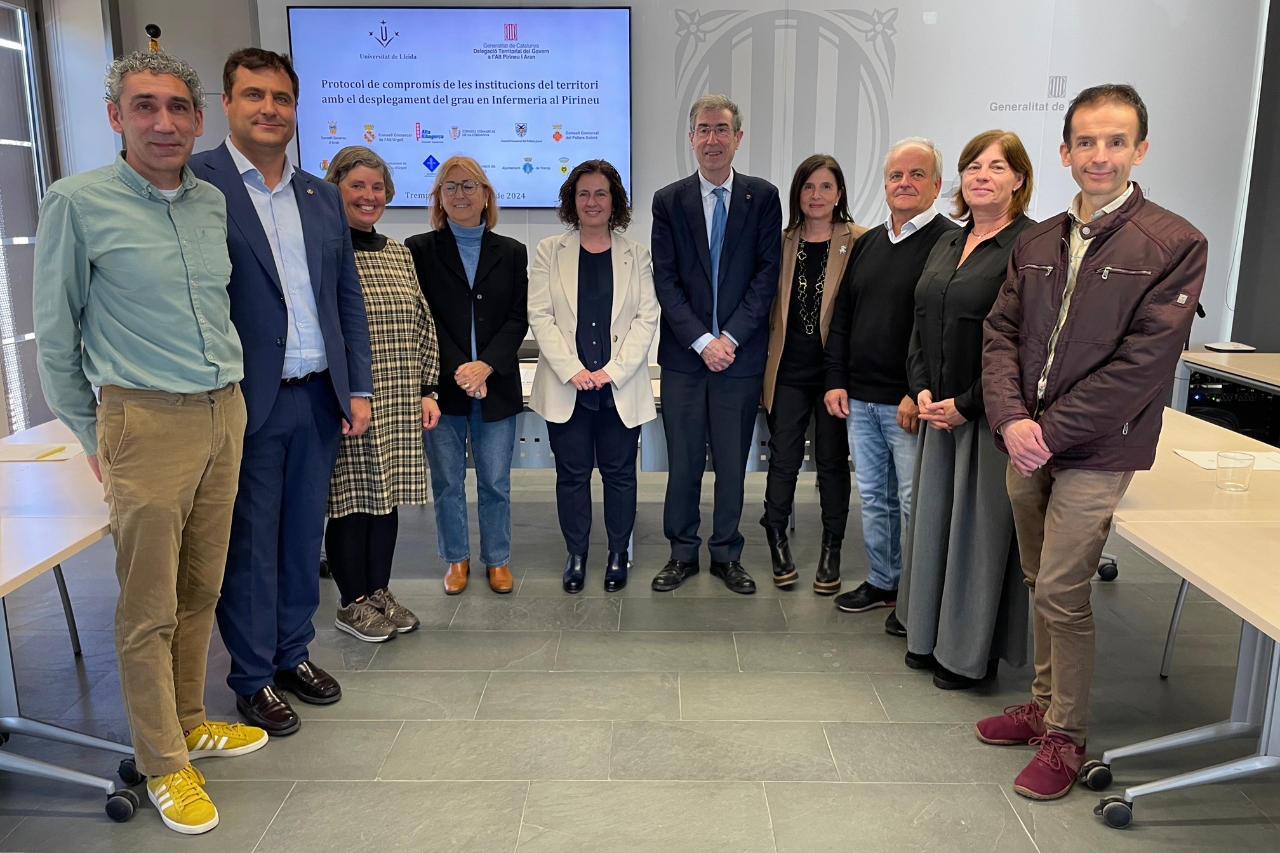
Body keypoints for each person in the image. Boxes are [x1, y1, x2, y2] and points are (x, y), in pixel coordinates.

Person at [33, 50, 265, 835]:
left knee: (202, 586)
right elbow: (56, 338)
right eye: (144, 107)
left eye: (175, 107)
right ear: (115, 116)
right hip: (145, 419)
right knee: (146, 606)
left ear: (198, 120)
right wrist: (97, 429)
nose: (162, 122)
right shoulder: (77, 201)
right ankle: (165, 760)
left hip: (221, 411)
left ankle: (193, 715)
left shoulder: (208, 203)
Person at [978, 84, 1207, 800]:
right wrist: (1013, 421)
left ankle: (1066, 734)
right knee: (1037, 578)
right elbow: (1000, 336)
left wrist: (1045, 431)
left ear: (1140, 149)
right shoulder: (1039, 239)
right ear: (1065, 151)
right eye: (1086, 141)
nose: (1099, 154)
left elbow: (1144, 365)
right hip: (1027, 442)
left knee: (1064, 589)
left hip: (1101, 448)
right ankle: (1044, 702)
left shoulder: (1174, 243)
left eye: (1115, 141)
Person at [190, 48, 373, 736]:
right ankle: (252, 676)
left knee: (303, 539)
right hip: (246, 399)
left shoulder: (319, 194)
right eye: (254, 95)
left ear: (297, 109)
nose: (270, 109)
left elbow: (344, 297)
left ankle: (294, 653)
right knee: (250, 544)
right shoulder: (198, 181)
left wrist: (356, 387)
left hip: (318, 398)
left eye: (282, 98)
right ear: (228, 105)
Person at [897, 130, 1036, 691]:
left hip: (985, 420)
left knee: (977, 538)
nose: (981, 175)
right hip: (938, 414)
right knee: (932, 529)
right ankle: (926, 634)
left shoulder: (1030, 247)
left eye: (997, 167)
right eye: (973, 165)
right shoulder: (950, 242)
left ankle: (966, 654)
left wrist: (968, 404)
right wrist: (923, 387)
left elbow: (1027, 343)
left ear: (1019, 180)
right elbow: (922, 320)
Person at [650, 94, 782, 594]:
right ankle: (681, 553)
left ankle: (726, 554)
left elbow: (766, 277)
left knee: (732, 463)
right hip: (685, 360)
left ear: (737, 138)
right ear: (691, 138)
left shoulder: (762, 197)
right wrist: (703, 340)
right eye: (703, 129)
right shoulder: (669, 200)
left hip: (740, 358)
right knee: (682, 463)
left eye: (722, 129)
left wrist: (728, 339)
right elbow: (666, 281)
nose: (712, 139)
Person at [824, 138, 957, 634]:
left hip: (909, 403)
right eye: (896, 176)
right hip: (859, 398)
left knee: (912, 502)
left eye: (917, 175)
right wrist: (836, 379)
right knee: (874, 499)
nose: (905, 183)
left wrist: (913, 390)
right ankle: (884, 580)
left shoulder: (950, 242)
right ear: (884, 185)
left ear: (938, 185)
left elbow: (941, 329)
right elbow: (843, 316)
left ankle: (917, 596)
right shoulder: (868, 243)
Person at [322, 146, 441, 641]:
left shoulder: (397, 253)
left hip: (397, 398)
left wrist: (428, 388)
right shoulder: (326, 251)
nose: (369, 196)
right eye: (357, 186)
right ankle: (351, 602)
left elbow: (421, 321)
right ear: (335, 189)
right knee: (351, 501)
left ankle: (378, 592)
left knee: (386, 499)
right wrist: (347, 394)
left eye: (377, 188)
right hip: (351, 402)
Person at [528, 160, 659, 593]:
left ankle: (618, 553)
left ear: (614, 201)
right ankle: (577, 553)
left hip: (618, 387)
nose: (592, 202)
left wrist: (610, 372)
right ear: (572, 200)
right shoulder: (550, 251)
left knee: (621, 474)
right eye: (583, 194)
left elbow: (646, 317)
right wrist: (575, 371)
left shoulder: (635, 253)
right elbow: (540, 315)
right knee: (573, 474)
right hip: (569, 386)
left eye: (601, 193)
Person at [405, 157, 528, 595]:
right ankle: (456, 560)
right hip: (443, 388)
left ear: (486, 194)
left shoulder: (511, 251)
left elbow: (517, 319)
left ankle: (497, 560)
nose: (460, 194)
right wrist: (461, 368)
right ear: (438, 197)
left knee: (495, 481)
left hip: (496, 386)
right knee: (447, 482)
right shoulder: (418, 249)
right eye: (450, 186)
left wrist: (485, 365)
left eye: (469, 186)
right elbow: (423, 318)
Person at [761, 155, 864, 594]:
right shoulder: (780, 241)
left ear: (839, 193)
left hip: (835, 375)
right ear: (797, 194)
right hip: (786, 370)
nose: (816, 196)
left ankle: (831, 547)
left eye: (826, 187)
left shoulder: (859, 240)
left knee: (831, 463)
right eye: (808, 187)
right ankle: (777, 539)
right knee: (782, 461)